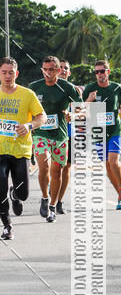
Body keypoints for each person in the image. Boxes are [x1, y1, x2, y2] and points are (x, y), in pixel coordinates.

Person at [30, 55, 81, 223]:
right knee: (43, 166)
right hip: (40, 134)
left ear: (59, 71)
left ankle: (52, 205)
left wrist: (72, 114)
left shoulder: (67, 87)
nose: (47, 73)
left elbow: (82, 109)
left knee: (57, 170)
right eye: (45, 69)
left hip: (60, 135)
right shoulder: (34, 87)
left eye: (51, 69)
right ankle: (45, 197)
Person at [0, 57, 46, 240]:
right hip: (1, 149)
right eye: (4, 72)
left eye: (11, 72)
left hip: (21, 150)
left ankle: (16, 194)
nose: (8, 76)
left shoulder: (27, 94)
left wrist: (28, 126)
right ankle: (7, 226)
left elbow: (41, 117)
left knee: (24, 193)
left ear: (17, 74)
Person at [82, 60, 121, 210]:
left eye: (102, 71)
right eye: (96, 72)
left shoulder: (116, 87)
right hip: (98, 132)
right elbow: (80, 110)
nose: (99, 74)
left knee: (113, 161)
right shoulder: (90, 89)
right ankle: (120, 197)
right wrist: (89, 100)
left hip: (115, 130)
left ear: (108, 72)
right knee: (108, 166)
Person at [56, 59, 83, 215]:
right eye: (60, 68)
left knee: (66, 167)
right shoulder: (47, 87)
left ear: (69, 72)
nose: (63, 70)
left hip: (70, 133)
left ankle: (59, 201)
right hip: (51, 133)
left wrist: (72, 114)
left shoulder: (75, 90)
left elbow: (82, 111)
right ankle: (48, 195)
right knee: (51, 169)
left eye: (66, 68)